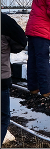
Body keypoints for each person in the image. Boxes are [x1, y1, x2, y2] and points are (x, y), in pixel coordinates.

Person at [1, 12, 27, 145]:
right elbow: (22, 42)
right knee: (2, 118)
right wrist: (7, 47)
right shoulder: (4, 21)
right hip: (1, 79)